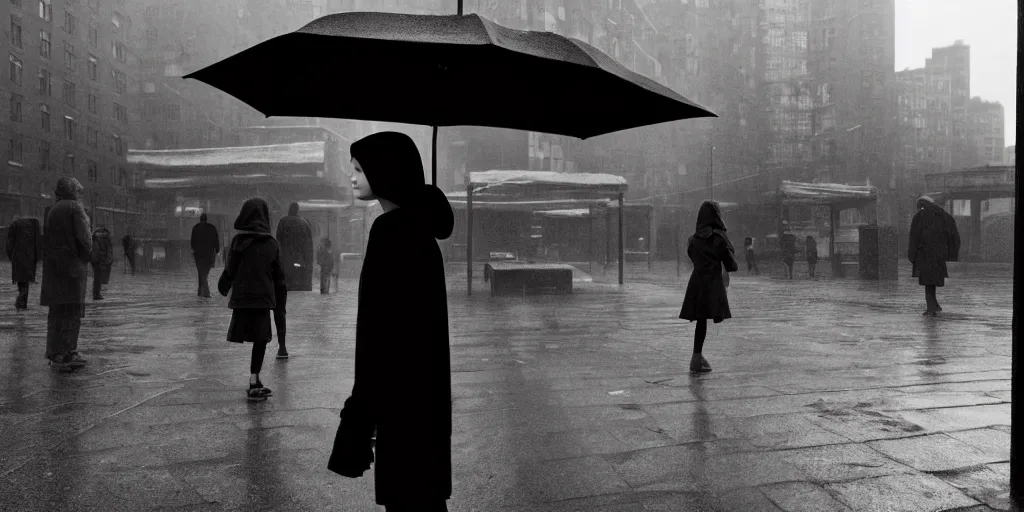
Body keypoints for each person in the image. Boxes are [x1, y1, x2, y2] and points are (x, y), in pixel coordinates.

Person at [327, 131, 455, 512]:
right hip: (425, 399)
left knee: (407, 500)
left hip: (400, 402)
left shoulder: (390, 232)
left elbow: (376, 332)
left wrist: (361, 408)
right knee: (425, 500)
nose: (351, 177)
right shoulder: (420, 233)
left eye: (359, 169)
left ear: (385, 172)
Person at [217, 198, 286, 400]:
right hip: (262, 299)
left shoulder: (238, 243)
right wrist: (280, 303)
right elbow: (278, 276)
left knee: (257, 337)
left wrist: (224, 286)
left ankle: (255, 381)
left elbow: (230, 270)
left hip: (242, 298)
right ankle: (254, 380)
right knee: (261, 339)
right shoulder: (271, 244)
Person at [678, 200, 738, 374]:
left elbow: (693, 257)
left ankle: (696, 357)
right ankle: (696, 358)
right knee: (703, 319)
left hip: (697, 282)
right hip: (712, 283)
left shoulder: (692, 240)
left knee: (701, 320)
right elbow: (732, 266)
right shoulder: (718, 239)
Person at [40, 177, 92, 371]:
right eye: (78, 191)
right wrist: (86, 258)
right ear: (73, 191)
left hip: (54, 268)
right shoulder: (74, 208)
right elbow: (85, 240)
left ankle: (55, 352)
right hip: (71, 268)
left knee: (57, 311)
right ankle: (69, 352)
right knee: (71, 311)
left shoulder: (52, 209)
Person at [909, 195, 961, 316]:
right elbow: (953, 233)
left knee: (928, 281)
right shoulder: (942, 215)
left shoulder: (919, 216)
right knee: (932, 280)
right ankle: (934, 305)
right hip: (938, 254)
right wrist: (951, 252)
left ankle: (931, 307)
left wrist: (912, 255)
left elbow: (914, 237)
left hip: (924, 253)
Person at [273, 203, 313, 359]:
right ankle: (282, 347)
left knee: (280, 307)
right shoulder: (304, 223)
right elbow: (308, 244)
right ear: (298, 211)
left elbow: (278, 239)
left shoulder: (283, 221)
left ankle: (281, 346)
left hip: (284, 263)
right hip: (299, 261)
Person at [6, 216, 41, 310]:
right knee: (26, 281)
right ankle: (21, 303)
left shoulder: (15, 224)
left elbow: (9, 243)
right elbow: (38, 242)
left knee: (21, 281)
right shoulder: (35, 224)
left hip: (17, 257)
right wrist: (37, 257)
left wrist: (11, 256)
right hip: (30, 257)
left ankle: (21, 303)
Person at [190, 213, 221, 298]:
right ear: (206, 219)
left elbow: (192, 242)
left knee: (200, 272)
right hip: (209, 254)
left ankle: (201, 292)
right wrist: (217, 250)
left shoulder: (196, 228)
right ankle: (205, 292)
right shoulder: (212, 228)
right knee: (205, 273)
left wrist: (194, 249)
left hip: (198, 254)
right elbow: (216, 240)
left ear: (200, 219)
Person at [90, 226, 114, 300]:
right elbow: (106, 252)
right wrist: (105, 262)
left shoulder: (96, 238)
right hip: (99, 260)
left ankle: (96, 294)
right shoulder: (104, 239)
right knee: (98, 278)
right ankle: (96, 295)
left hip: (95, 260)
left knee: (97, 278)